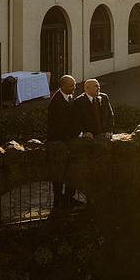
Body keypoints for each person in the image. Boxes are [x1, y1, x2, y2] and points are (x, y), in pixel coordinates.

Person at [47, 75, 78, 212]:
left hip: (66, 141)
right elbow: (61, 125)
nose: (74, 88)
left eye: (74, 85)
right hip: (58, 142)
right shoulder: (57, 102)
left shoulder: (68, 97)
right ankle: (59, 201)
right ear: (63, 86)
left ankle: (68, 198)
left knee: (71, 172)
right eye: (72, 86)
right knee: (59, 174)